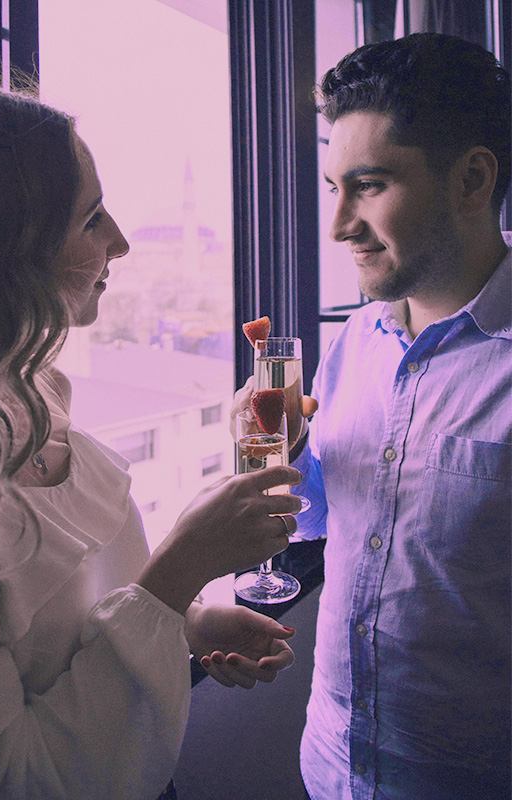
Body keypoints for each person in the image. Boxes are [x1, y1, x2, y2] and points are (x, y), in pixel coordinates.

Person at [0, 87, 306, 800]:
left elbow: (58, 617)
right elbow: (12, 782)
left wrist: (187, 623)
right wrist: (181, 570)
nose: (123, 242)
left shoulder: (32, 388)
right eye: (92, 217)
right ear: (2, 245)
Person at [232, 32, 511, 800]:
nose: (338, 226)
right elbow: (319, 517)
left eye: (371, 184)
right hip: (330, 763)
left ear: (472, 179)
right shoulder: (355, 341)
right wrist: (277, 460)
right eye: (333, 187)